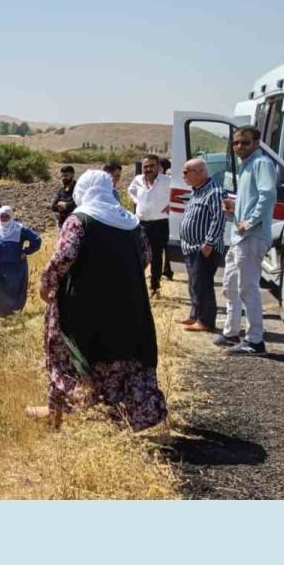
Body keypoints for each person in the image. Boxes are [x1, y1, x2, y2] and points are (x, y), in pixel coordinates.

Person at [30, 169, 167, 431]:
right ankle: (119, 418)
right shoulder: (130, 222)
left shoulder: (79, 220)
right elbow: (146, 258)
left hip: (83, 306)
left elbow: (62, 258)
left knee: (66, 354)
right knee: (121, 358)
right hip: (127, 306)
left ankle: (57, 413)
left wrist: (45, 285)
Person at [216, 126, 277, 355]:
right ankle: (231, 331)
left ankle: (255, 340)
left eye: (245, 142)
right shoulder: (247, 167)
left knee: (247, 288)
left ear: (256, 144)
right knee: (230, 285)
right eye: (236, 143)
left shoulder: (261, 163)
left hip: (251, 237)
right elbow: (251, 202)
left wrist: (249, 221)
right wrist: (233, 212)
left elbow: (268, 195)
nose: (239, 146)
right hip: (240, 238)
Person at [178, 158, 226, 333]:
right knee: (194, 283)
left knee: (203, 284)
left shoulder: (214, 192)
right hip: (191, 246)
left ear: (199, 172)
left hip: (204, 248)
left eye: (186, 172)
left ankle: (206, 321)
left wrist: (209, 242)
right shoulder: (197, 191)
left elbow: (218, 218)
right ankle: (195, 315)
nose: (183, 176)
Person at [127, 154, 172, 296]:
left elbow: (179, 194)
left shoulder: (167, 181)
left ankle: (155, 287)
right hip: (141, 224)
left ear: (158, 166)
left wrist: (171, 205)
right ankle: (138, 286)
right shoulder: (138, 180)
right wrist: (137, 202)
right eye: (145, 166)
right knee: (138, 255)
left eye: (151, 166)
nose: (148, 169)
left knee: (156, 256)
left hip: (160, 224)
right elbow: (130, 191)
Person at [0, 206, 42, 316]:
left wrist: (26, 251)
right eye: (1, 216)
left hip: (17, 267)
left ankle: (16, 314)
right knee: (3, 291)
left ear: (11, 216)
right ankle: (4, 314)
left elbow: (36, 240)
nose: (4, 218)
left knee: (16, 290)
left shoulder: (20, 228)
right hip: (1, 267)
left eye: (6, 216)